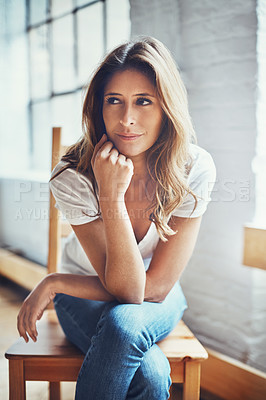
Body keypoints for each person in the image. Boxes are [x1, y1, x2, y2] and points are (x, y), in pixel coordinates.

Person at [17, 36, 216, 400]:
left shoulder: (194, 168)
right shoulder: (72, 175)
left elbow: (149, 289)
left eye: (144, 101)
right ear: (98, 107)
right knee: (150, 374)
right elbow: (124, 287)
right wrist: (110, 194)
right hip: (84, 295)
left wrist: (54, 281)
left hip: (159, 292)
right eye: (114, 101)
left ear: (167, 107)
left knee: (125, 323)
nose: (127, 119)